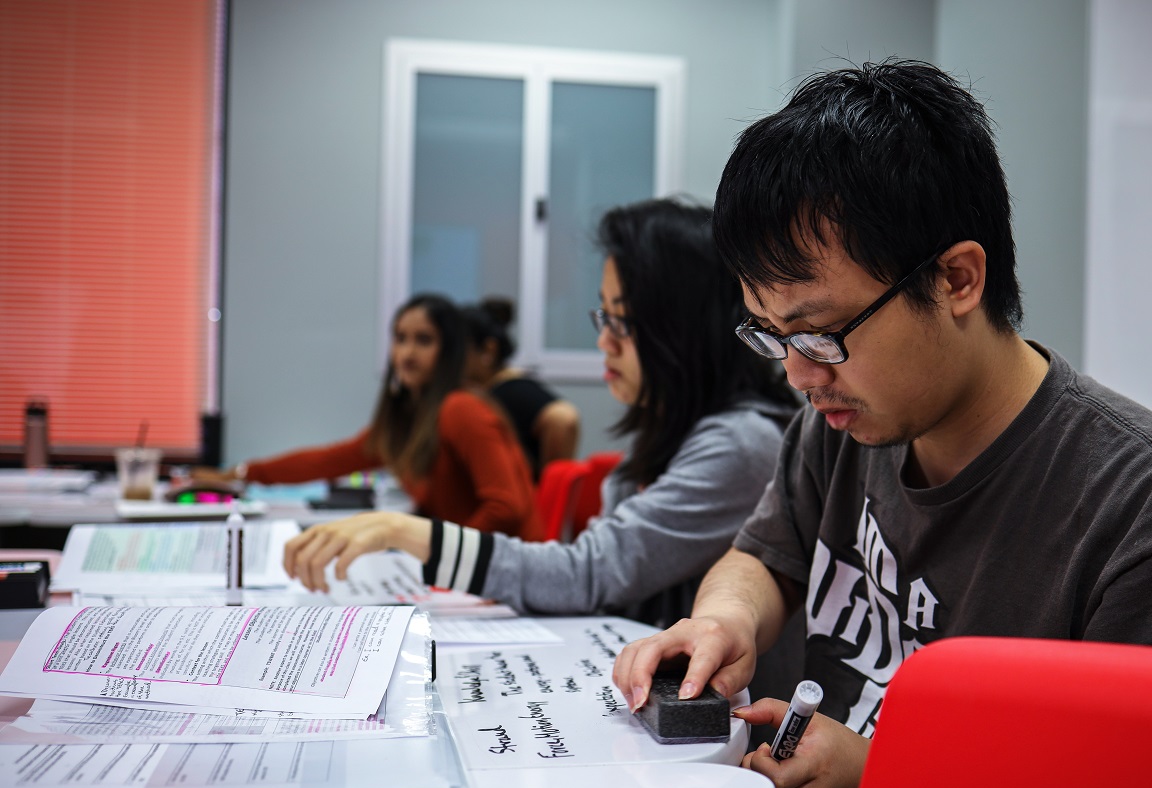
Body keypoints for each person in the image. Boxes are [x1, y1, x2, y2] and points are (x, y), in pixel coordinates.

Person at [611, 59, 1152, 788]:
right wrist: (725, 624)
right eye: (770, 337)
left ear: (957, 278)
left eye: (818, 333)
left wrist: (882, 775)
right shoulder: (842, 422)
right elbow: (765, 557)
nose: (799, 377)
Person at [283, 198, 800, 627]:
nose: (602, 341)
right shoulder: (668, 433)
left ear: (681, 329)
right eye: (604, 316)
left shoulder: (740, 443)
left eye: (620, 322)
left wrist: (404, 532)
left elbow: (588, 573)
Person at [197, 293, 542, 539]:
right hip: (466, 573)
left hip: (506, 581)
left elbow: (506, 508)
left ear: (449, 350)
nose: (407, 352)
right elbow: (328, 461)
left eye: (424, 340)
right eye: (400, 338)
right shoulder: (408, 419)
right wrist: (241, 474)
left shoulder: (462, 409)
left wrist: (440, 556)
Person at [463, 296, 581, 480]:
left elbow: (564, 418)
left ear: (488, 350)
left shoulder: (510, 390)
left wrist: (549, 483)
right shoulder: (494, 389)